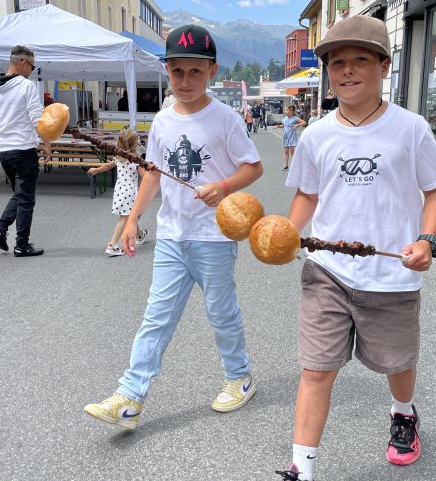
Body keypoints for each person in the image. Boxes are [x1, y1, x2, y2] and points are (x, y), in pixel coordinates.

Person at [275, 15, 436, 481]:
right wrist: (283, 233)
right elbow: (307, 196)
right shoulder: (316, 135)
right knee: (316, 369)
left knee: (398, 363)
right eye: (338, 63)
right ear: (329, 72)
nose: (348, 71)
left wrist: (427, 239)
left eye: (360, 60)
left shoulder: (410, 128)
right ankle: (302, 467)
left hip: (392, 273)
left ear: (383, 66)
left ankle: (403, 413)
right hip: (327, 272)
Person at [84, 24, 264, 430]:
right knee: (156, 317)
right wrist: (133, 220)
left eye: (195, 72)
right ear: (167, 70)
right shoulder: (163, 121)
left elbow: (254, 166)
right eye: (177, 71)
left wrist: (223, 186)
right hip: (172, 237)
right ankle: (130, 398)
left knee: (221, 313)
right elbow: (154, 174)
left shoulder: (226, 119)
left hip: (214, 238)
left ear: (212, 72)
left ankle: (239, 377)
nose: (186, 80)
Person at [0, 45, 45, 257]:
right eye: (32, 66)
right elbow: (38, 119)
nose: (32, 71)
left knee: (19, 194)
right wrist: (46, 142)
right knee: (26, 199)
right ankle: (22, 244)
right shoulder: (26, 87)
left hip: (5, 151)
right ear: (22, 63)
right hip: (24, 148)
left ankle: (1, 229)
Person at [86, 127, 148, 256]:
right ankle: (112, 245)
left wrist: (96, 170)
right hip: (130, 191)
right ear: (135, 143)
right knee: (125, 217)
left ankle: (140, 235)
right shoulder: (135, 161)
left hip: (120, 190)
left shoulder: (118, 158)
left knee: (131, 215)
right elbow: (145, 177)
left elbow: (107, 166)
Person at [278, 105, 306, 171]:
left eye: (287, 110)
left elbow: (304, 122)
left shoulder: (295, 118)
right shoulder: (284, 119)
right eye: (285, 110)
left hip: (292, 136)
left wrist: (297, 125)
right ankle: (285, 165)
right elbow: (283, 126)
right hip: (285, 137)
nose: (286, 111)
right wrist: (279, 126)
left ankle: (295, 165)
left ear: (292, 111)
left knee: (292, 152)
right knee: (285, 151)